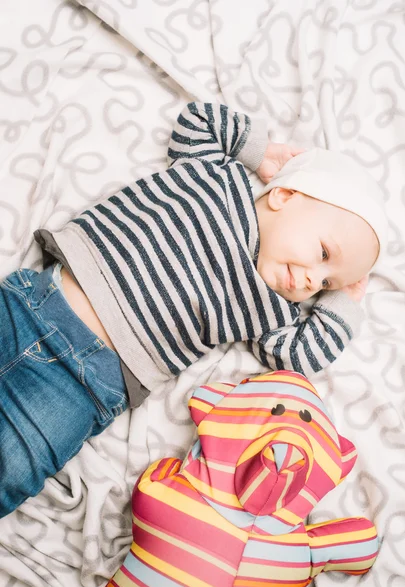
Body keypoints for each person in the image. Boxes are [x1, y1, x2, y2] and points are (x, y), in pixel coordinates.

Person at [0, 102, 387, 518]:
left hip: (84, 386)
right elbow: (199, 121)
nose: (313, 280)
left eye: (326, 283)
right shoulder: (216, 178)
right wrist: (262, 151)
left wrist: (339, 310)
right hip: (33, 302)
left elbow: (297, 357)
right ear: (284, 196)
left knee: (12, 466)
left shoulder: (273, 309)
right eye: (324, 253)